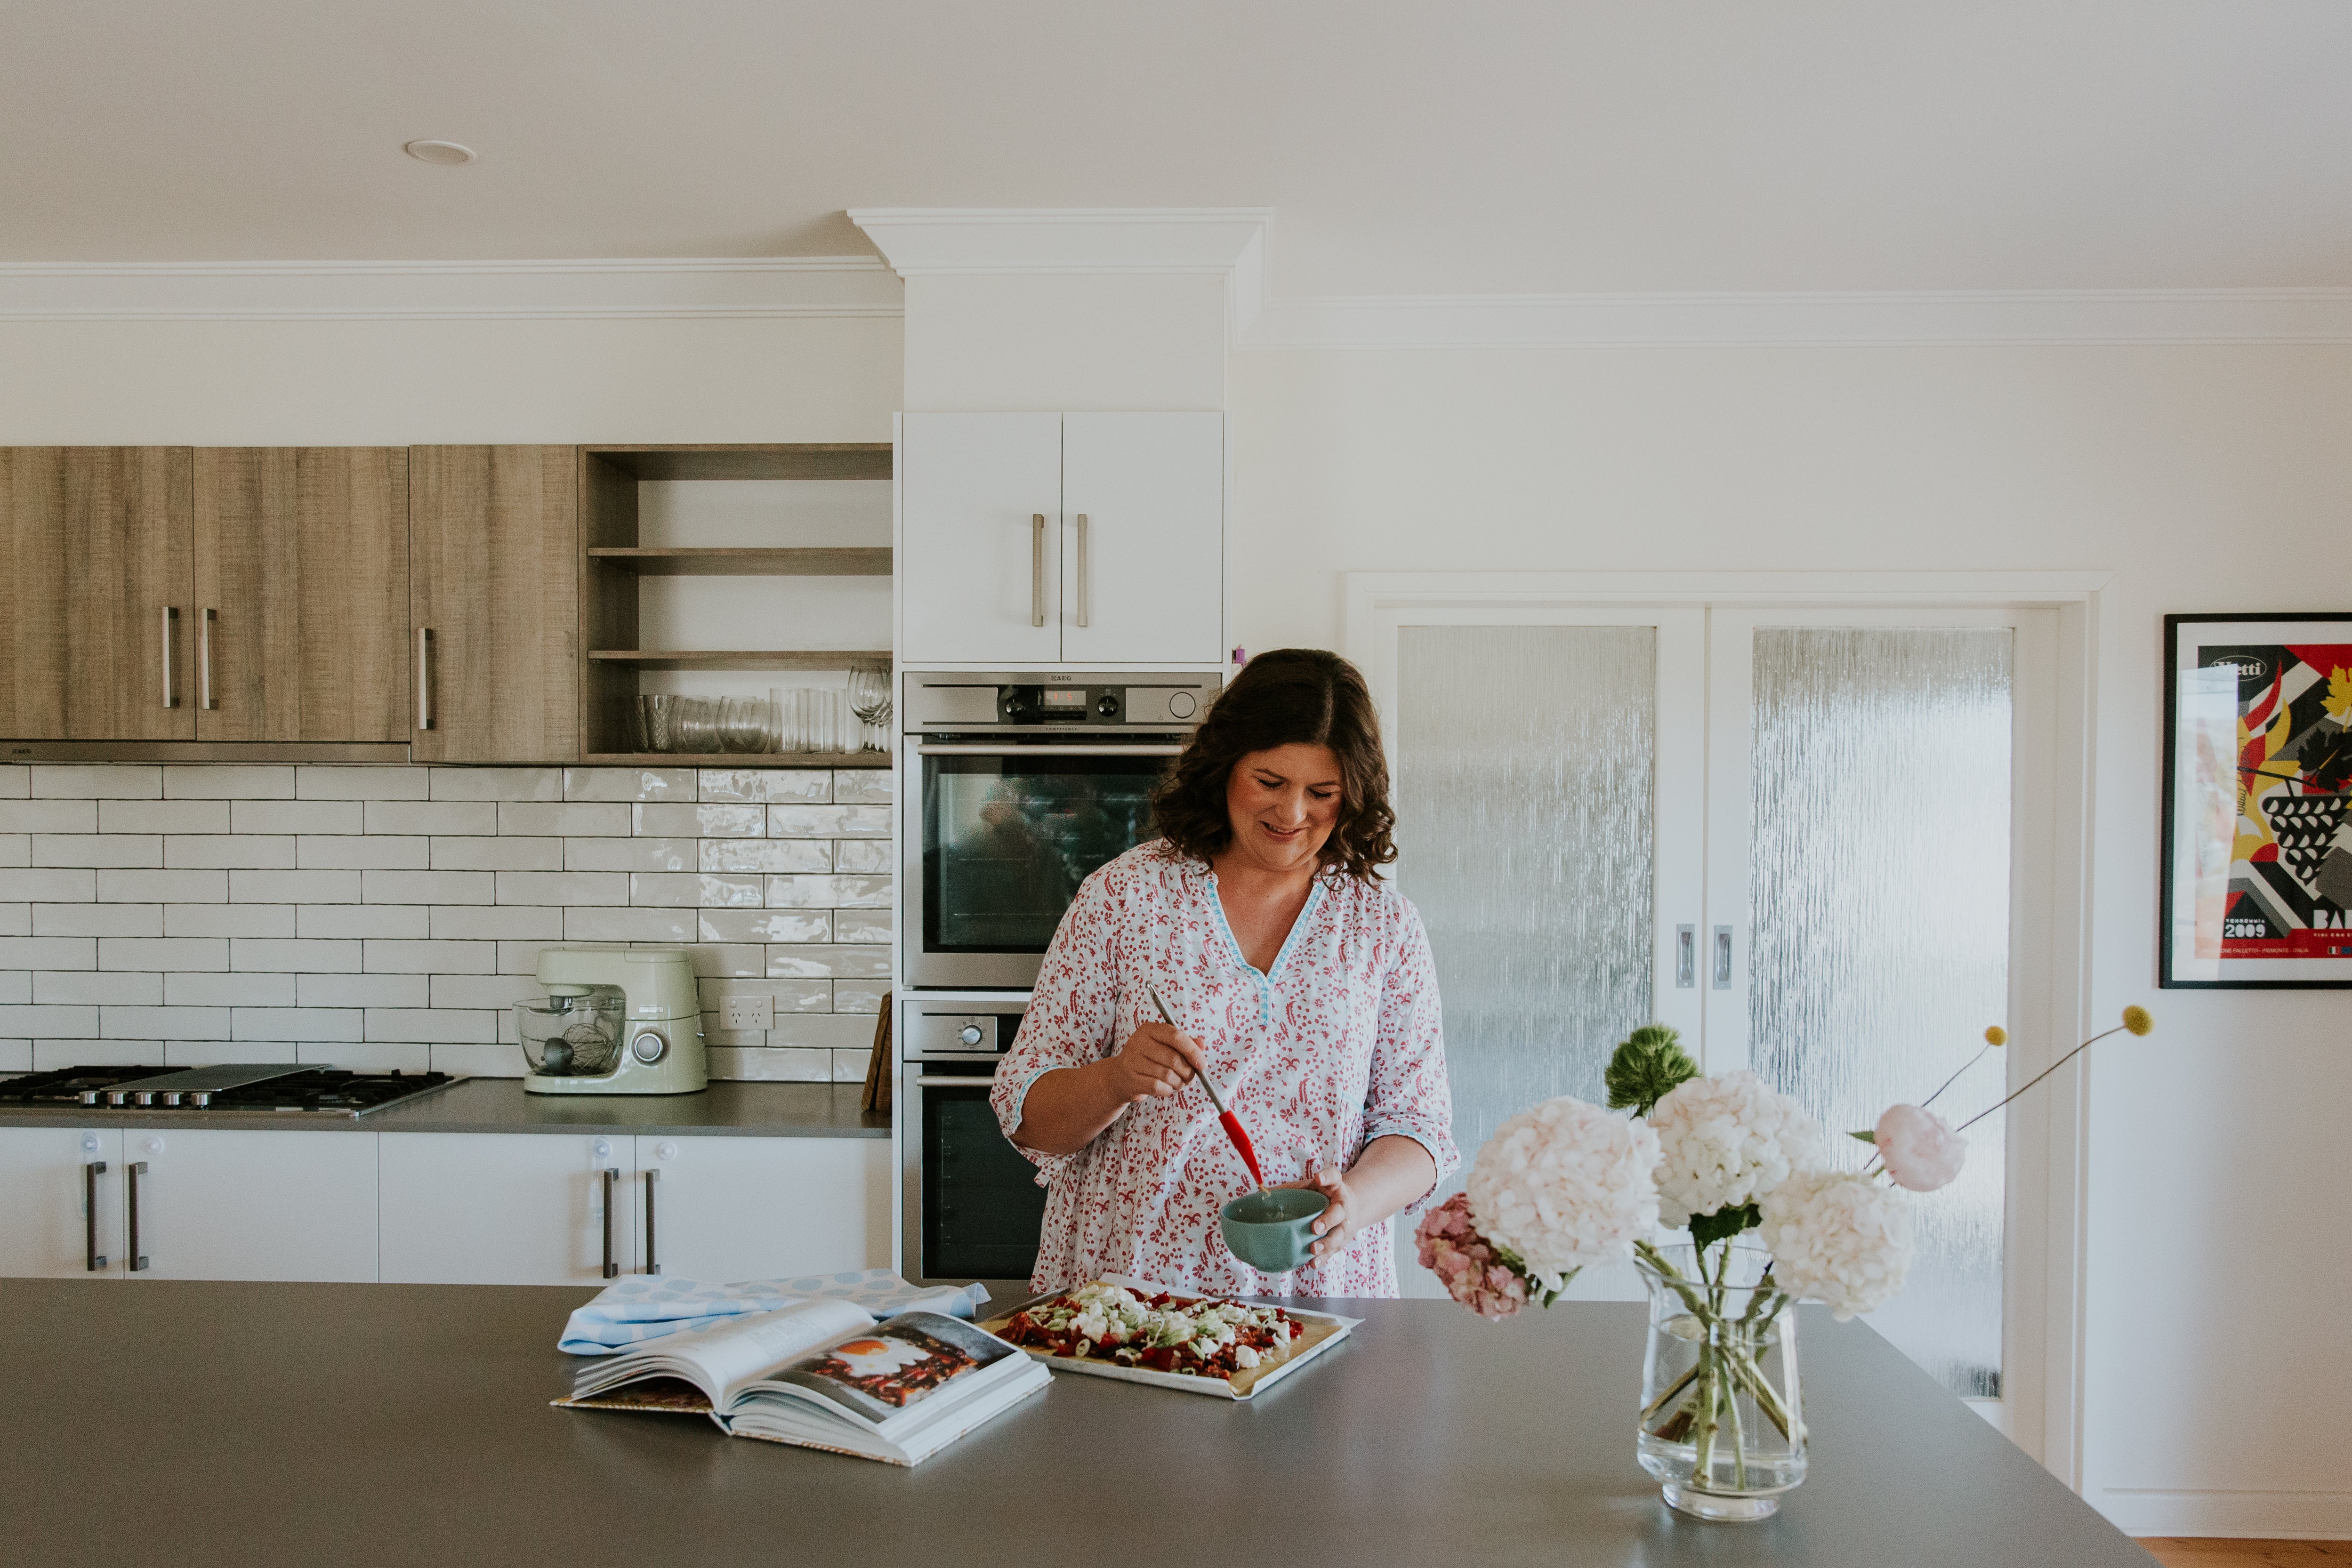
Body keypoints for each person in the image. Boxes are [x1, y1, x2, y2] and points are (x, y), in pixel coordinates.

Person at [989, 648, 1457, 1296]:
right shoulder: (1125, 898)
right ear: (1225, 766)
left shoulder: (1383, 926)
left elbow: (1419, 1128)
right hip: (1133, 1293)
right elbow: (1028, 1116)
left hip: (1319, 1296)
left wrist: (1356, 1199)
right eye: (1270, 782)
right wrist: (1117, 1078)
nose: (1293, 815)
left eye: (1321, 793)